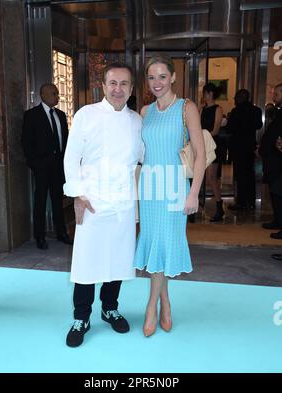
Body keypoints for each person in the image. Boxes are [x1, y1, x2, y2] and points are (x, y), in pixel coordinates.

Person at [63, 62, 143, 347]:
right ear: (103, 85)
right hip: (93, 201)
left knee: (118, 260)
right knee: (86, 262)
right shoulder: (87, 114)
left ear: (132, 88)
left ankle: (110, 308)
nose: (118, 89)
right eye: (113, 83)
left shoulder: (136, 120)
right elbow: (71, 157)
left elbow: (142, 158)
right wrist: (77, 194)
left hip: (123, 202)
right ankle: (81, 316)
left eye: (124, 84)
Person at [134, 54, 206, 337]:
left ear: (173, 77)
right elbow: (140, 156)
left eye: (162, 76)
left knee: (165, 245)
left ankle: (151, 306)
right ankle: (166, 303)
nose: (157, 83)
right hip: (149, 188)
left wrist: (195, 193)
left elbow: (200, 155)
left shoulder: (186, 107)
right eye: (151, 77)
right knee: (155, 247)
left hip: (175, 188)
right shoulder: (144, 111)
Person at [21, 83, 72, 249]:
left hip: (58, 166)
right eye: (54, 94)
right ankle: (40, 236)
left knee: (58, 201)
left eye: (57, 94)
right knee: (40, 201)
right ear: (43, 95)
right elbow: (26, 142)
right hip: (41, 167)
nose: (57, 96)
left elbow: (65, 140)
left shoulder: (61, 115)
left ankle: (61, 233)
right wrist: (35, 164)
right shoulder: (32, 115)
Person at [226, 89, 263, 211]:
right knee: (250, 174)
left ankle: (241, 202)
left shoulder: (236, 112)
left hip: (238, 148)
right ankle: (251, 202)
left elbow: (229, 129)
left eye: (235, 97)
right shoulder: (256, 111)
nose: (234, 99)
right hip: (250, 147)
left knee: (240, 175)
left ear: (240, 98)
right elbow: (259, 125)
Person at [259, 84, 282, 244]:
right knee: (276, 191)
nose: (274, 97)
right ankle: (278, 221)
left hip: (278, 160)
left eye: (277, 94)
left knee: (279, 192)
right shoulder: (278, 112)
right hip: (275, 159)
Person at [201, 83, 224, 222]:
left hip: (213, 145)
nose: (202, 96)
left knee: (211, 177)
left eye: (204, 93)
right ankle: (197, 206)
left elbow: (215, 130)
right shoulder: (202, 109)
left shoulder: (218, 109)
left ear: (209, 93)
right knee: (202, 176)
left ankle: (219, 207)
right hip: (203, 145)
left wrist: (202, 135)